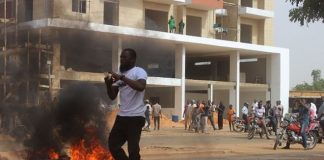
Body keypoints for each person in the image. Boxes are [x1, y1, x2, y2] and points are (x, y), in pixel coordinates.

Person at [105, 48, 147, 160]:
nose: (121, 59)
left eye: (124, 57)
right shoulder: (120, 74)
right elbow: (112, 96)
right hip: (122, 116)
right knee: (113, 145)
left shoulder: (139, 71)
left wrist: (122, 78)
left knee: (133, 150)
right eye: (121, 57)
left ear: (133, 59)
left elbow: (141, 87)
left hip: (136, 117)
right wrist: (108, 84)